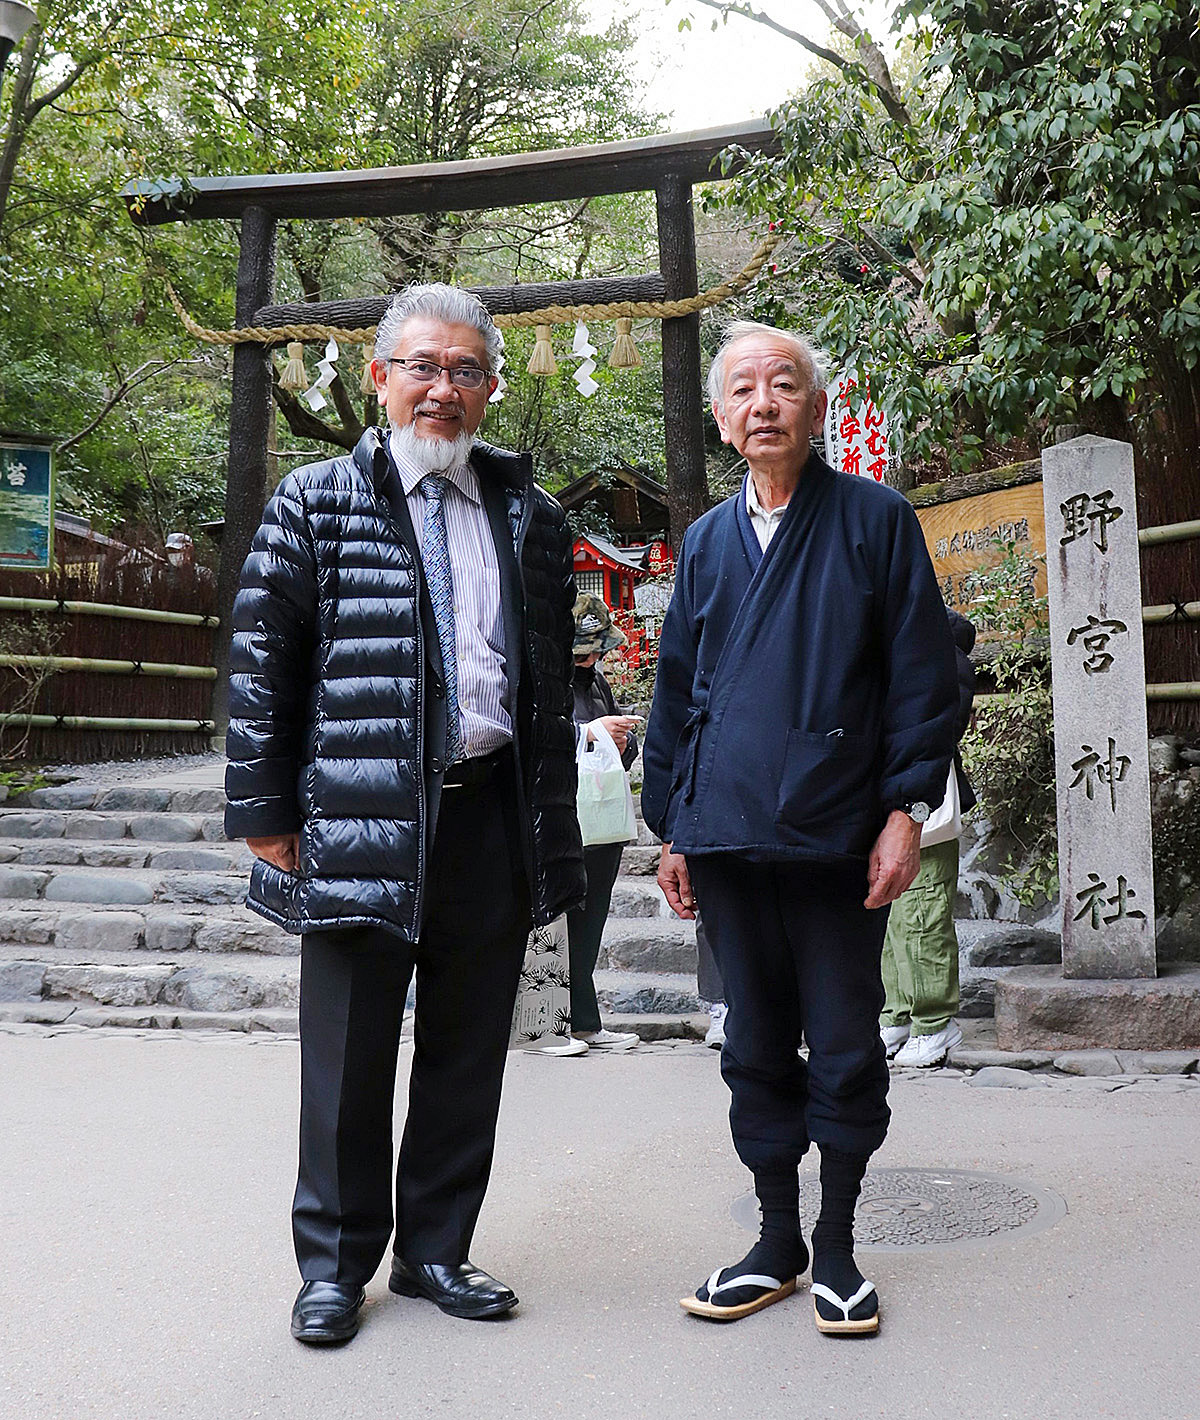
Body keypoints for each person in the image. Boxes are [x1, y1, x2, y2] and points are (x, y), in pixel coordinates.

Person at [224, 282, 584, 1346]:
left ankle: (435, 1249)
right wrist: (264, 807)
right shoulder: (315, 500)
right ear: (380, 377)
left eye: (466, 371)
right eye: (423, 367)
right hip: (358, 813)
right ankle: (334, 1267)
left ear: (488, 390)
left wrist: (551, 828)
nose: (443, 391)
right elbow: (258, 664)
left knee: (467, 1050)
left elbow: (549, 688)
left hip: (487, 816)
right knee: (347, 1056)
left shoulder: (532, 516)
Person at [641, 319, 958, 1335]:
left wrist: (905, 809)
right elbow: (679, 690)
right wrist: (673, 825)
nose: (764, 403)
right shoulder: (704, 542)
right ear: (722, 416)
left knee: (848, 1044)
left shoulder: (875, 521)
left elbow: (923, 678)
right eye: (744, 388)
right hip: (728, 836)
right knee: (755, 1046)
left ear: (817, 409)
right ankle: (775, 1238)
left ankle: (837, 1247)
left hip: (836, 837)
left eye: (785, 385)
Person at [881, 607, 978, 1067]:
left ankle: (935, 1023)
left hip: (926, 804)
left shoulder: (942, 655)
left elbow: (938, 730)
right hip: (888, 799)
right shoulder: (905, 646)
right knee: (889, 918)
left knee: (922, 915)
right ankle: (896, 1014)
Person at [561, 592, 641, 1053]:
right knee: (558, 922)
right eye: (583, 650)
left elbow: (618, 752)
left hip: (602, 821)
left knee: (591, 920)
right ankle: (549, 1024)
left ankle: (585, 1020)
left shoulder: (595, 680)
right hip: (562, 814)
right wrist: (591, 733)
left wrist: (619, 740)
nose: (592, 658)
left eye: (597, 649)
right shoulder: (548, 678)